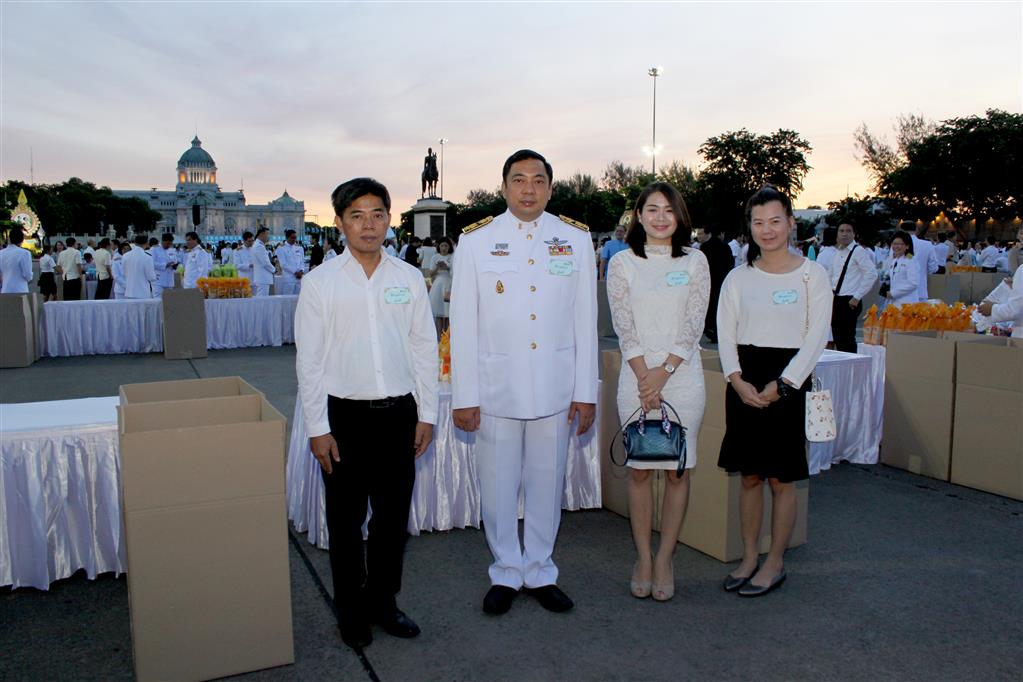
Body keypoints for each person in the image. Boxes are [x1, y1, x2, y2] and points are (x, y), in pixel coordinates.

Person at [450, 149, 598, 615]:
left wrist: (586, 391)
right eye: (519, 180)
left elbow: (584, 322)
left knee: (546, 482)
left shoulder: (573, 239)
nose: (528, 189)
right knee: (496, 485)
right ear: (504, 188)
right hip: (497, 389)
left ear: (551, 188)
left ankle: (539, 569)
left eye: (538, 180)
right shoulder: (476, 241)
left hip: (555, 387)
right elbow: (464, 321)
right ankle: (506, 571)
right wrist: (465, 395)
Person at [295, 177, 437, 650]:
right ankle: (351, 611)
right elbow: (309, 362)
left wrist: (427, 414)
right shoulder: (320, 284)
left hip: (399, 415)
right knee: (346, 521)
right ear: (339, 223)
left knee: (392, 521)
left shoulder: (408, 278)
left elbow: (423, 350)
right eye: (356, 215)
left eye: (377, 214)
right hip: (344, 420)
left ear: (390, 220)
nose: (368, 224)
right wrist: (318, 429)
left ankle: (383, 602)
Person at [716, 184, 832, 597]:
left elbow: (817, 336)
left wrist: (782, 385)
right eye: (758, 222)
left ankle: (776, 561)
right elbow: (724, 334)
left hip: (788, 382)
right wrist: (735, 379)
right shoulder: (737, 278)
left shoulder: (812, 275)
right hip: (744, 383)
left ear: (791, 224)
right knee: (749, 477)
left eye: (775, 221)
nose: (767, 230)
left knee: (782, 480)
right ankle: (749, 556)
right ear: (749, 227)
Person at [607, 182, 709, 602]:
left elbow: (693, 324)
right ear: (638, 215)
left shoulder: (696, 262)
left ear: (679, 216)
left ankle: (666, 558)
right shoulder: (623, 262)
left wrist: (663, 373)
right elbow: (623, 324)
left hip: (681, 378)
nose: (660, 217)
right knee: (641, 469)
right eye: (652, 210)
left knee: (677, 470)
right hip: (636, 378)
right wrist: (644, 376)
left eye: (668, 210)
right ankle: (643, 557)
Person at [829, 223, 877, 353]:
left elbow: (871, 273)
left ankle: (852, 369)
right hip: (837, 299)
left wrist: (857, 296)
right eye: (841, 231)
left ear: (853, 234)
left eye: (848, 231)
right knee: (838, 338)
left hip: (849, 300)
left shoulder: (858, 251)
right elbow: (833, 276)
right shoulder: (838, 252)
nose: (844, 234)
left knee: (847, 339)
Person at [693, 225, 732, 343]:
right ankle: (717, 331)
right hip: (722, 281)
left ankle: (710, 329)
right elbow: (730, 263)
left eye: (701, 233)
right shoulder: (725, 246)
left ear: (708, 234)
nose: (699, 236)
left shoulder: (705, 247)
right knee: (719, 308)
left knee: (710, 307)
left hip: (710, 281)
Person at [884, 231, 921, 307]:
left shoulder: (911, 259)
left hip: (907, 303)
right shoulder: (895, 260)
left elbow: (913, 283)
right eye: (894, 244)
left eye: (900, 244)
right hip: (894, 303)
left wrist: (894, 293)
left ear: (907, 246)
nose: (896, 246)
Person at [426, 236, 454, 334]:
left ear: (449, 247)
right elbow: (430, 274)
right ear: (439, 247)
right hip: (438, 285)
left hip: (449, 285)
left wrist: (447, 268)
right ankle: (438, 337)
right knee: (438, 312)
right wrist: (438, 267)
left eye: (446, 246)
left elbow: (454, 273)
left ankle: (446, 338)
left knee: (447, 314)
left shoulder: (452, 257)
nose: (444, 248)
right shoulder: (435, 257)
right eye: (442, 245)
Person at [907, 222, 939, 300]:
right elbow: (933, 268)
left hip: (900, 291)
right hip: (920, 289)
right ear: (916, 230)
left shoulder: (896, 245)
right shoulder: (927, 245)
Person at [0, 227, 33, 294]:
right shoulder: (25, 253)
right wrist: (30, 277)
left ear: (9, 239)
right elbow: (28, 275)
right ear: (22, 240)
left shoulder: (1, 253)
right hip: (20, 290)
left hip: (5, 290)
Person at [123, 234, 157, 299]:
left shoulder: (125, 256)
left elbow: (124, 273)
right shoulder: (147, 257)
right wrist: (156, 276)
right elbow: (151, 277)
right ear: (147, 243)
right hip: (143, 292)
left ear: (135, 243)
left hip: (129, 292)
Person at [276, 229, 306, 295]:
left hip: (299, 279)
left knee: (298, 300)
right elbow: (283, 264)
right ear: (287, 238)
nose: (294, 240)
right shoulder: (281, 248)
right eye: (292, 238)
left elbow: (302, 262)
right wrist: (295, 272)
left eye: (295, 238)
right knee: (287, 300)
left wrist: (301, 271)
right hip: (289, 279)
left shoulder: (299, 248)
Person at [57, 236, 85, 301]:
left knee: (67, 298)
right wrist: (81, 276)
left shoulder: (62, 253)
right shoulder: (77, 252)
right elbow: (78, 265)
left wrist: (63, 273)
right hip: (75, 278)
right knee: (75, 298)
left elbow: (58, 266)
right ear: (74, 243)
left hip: (66, 278)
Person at [251, 227, 275, 296]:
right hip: (263, 278)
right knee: (262, 301)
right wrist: (274, 270)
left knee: (262, 300)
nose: (268, 236)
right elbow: (265, 263)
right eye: (267, 234)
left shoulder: (258, 245)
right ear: (261, 234)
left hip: (262, 278)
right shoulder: (259, 246)